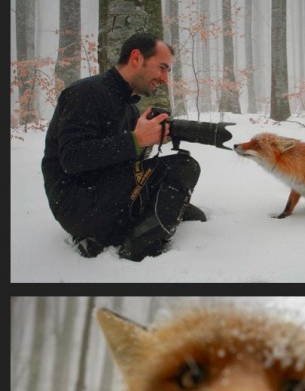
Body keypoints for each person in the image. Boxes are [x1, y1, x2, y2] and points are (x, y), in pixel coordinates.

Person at [41, 32, 206, 261]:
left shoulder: (129, 107)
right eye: (162, 67)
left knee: (177, 192)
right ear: (136, 58)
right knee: (184, 166)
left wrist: (148, 141)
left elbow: (122, 161)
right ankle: (139, 247)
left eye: (168, 71)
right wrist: (135, 140)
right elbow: (72, 158)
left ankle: (119, 228)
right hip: (77, 204)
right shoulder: (86, 92)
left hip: (103, 192)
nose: (165, 78)